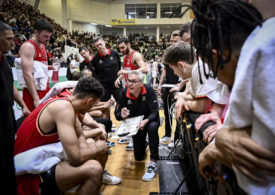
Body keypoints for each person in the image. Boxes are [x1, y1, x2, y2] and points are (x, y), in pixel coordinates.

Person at [189, 0, 275, 194]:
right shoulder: (262, 39)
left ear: (216, 56)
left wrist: (221, 140)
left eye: (211, 68)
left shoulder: (264, 49)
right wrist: (221, 138)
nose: (216, 76)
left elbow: (261, 156)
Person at [14, 77, 117, 195]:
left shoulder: (68, 103)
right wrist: (97, 149)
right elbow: (76, 158)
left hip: (39, 160)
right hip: (27, 175)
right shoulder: (63, 108)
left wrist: (90, 148)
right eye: (93, 105)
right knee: (94, 169)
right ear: (89, 101)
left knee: (90, 143)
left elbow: (80, 137)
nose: (91, 109)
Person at [163, 41, 229, 143]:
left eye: (173, 69)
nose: (175, 74)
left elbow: (202, 107)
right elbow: (193, 96)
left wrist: (185, 104)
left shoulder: (199, 69)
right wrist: (182, 98)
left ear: (181, 65)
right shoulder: (194, 70)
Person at [114, 70, 160, 182]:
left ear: (140, 83)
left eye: (133, 81)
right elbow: (117, 114)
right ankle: (144, 143)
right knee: (138, 157)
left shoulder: (149, 90)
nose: (130, 84)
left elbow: (155, 112)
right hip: (135, 124)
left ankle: (153, 163)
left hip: (149, 120)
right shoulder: (124, 92)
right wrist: (122, 115)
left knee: (152, 128)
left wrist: (146, 121)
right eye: (128, 81)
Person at [0, 21, 20, 195]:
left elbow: (10, 86)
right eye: (9, 39)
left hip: (7, 120)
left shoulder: (3, 60)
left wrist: (23, 105)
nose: (13, 44)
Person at [19, 18, 53, 111]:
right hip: (33, 93)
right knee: (32, 123)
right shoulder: (28, 47)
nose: (48, 39)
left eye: (49, 36)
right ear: (36, 32)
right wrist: (36, 98)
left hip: (44, 89)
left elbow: (39, 67)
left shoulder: (42, 45)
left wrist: (50, 67)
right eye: (45, 36)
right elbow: (27, 74)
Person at [157, 30, 181, 144]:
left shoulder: (184, 54)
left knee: (177, 115)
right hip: (167, 86)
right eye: (171, 40)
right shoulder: (168, 53)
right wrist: (160, 84)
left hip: (179, 88)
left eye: (175, 41)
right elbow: (165, 70)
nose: (172, 43)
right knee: (166, 113)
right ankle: (167, 134)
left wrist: (181, 85)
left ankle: (176, 138)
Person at [91, 36, 121, 102]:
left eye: (100, 44)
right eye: (97, 46)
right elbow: (95, 74)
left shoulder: (115, 53)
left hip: (117, 85)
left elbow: (119, 67)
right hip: (104, 88)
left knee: (122, 103)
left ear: (104, 43)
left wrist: (118, 78)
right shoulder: (95, 59)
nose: (99, 46)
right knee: (104, 107)